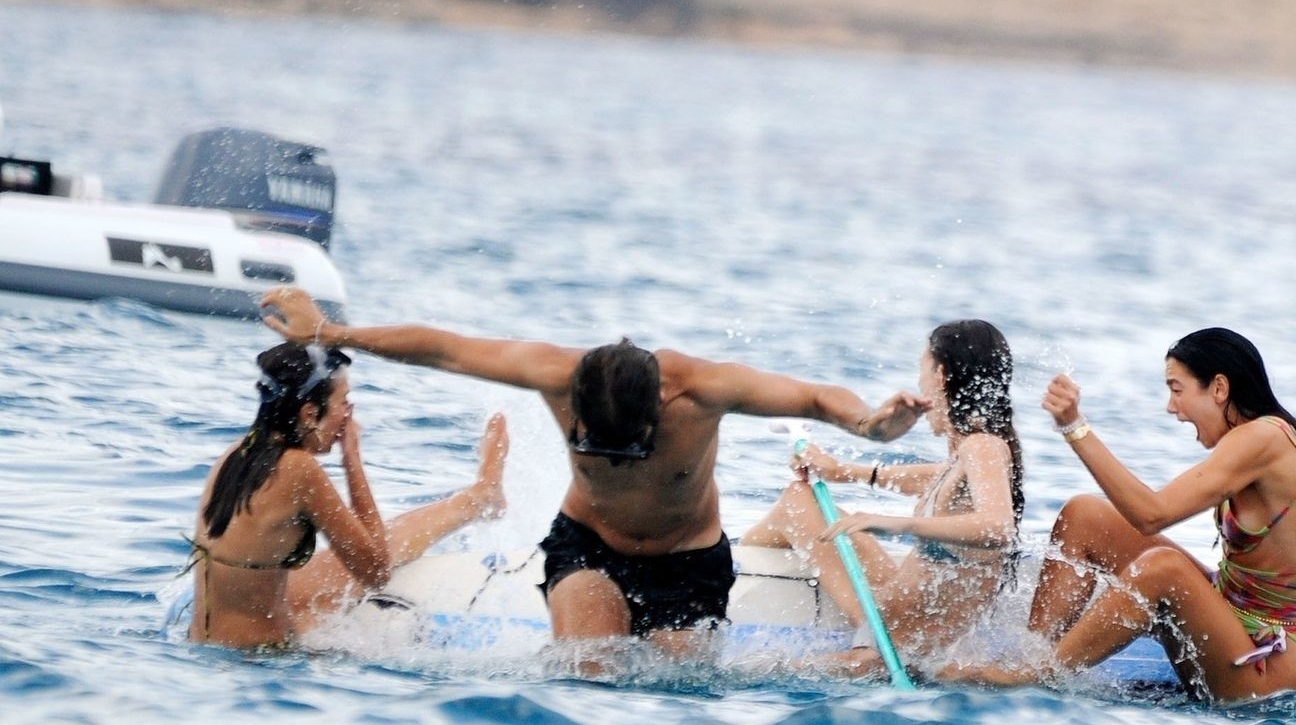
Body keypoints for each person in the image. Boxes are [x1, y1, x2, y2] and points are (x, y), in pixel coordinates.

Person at [261, 287, 929, 661]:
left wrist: (872, 424)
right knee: (588, 665)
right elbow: (445, 349)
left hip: (688, 563)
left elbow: (814, 397)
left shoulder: (702, 391)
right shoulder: (556, 374)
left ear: (660, 408)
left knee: (677, 684)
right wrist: (327, 331)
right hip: (587, 548)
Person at [950, 328, 1296, 703]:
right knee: (1085, 515)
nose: (1172, 407)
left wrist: (1074, 427)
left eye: (1177, 388)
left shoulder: (1261, 438)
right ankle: (1035, 651)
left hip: (1264, 671)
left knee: (1163, 569)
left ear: (1219, 388)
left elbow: (1151, 515)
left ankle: (1038, 675)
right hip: (1229, 612)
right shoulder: (1280, 430)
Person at [740, 320, 1022, 675]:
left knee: (797, 501)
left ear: (941, 376)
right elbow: (938, 479)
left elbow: (998, 527)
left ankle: (736, 576)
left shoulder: (983, 446)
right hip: (905, 625)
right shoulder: (976, 451)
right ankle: (745, 561)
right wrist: (842, 471)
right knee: (798, 500)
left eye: (922, 371)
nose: (920, 384)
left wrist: (891, 524)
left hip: (886, 642)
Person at [188, 341, 509, 648]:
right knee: (379, 550)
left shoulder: (237, 453)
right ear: (309, 413)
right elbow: (376, 572)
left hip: (207, 638)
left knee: (343, 562)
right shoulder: (299, 469)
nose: (349, 415)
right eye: (344, 402)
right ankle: (481, 497)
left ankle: (479, 497)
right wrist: (352, 457)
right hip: (262, 654)